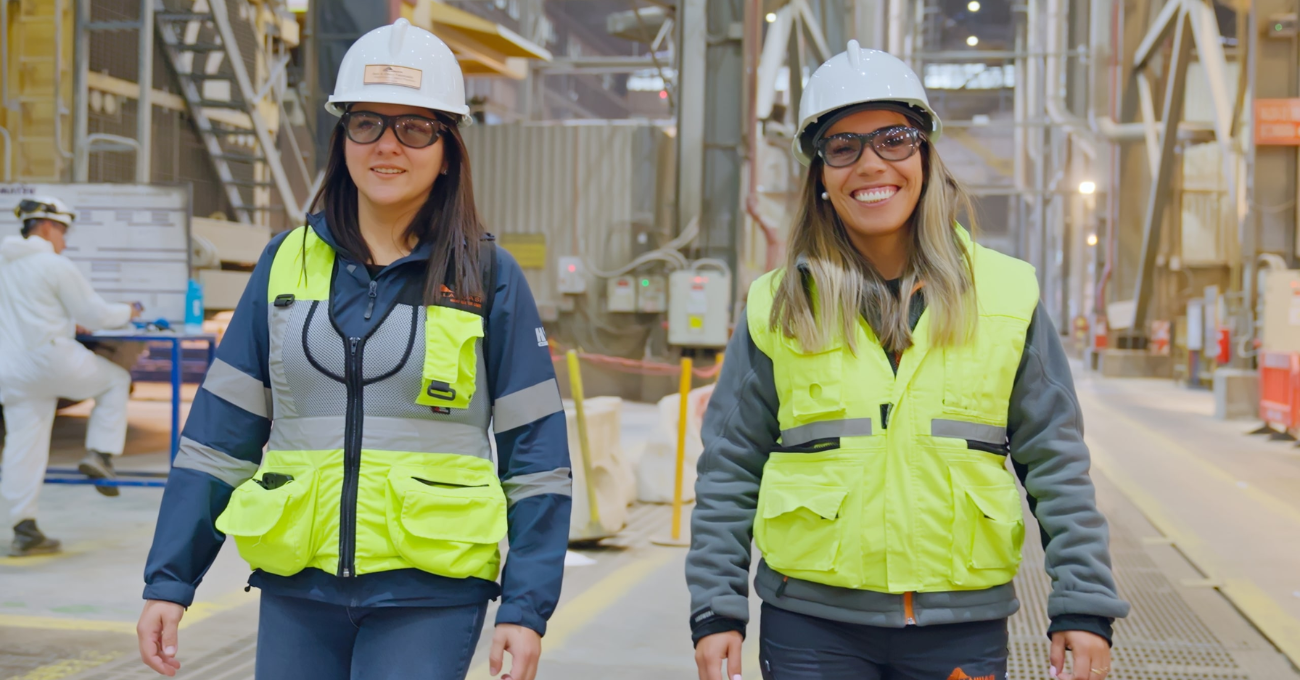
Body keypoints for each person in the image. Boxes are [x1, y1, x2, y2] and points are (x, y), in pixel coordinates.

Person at [135, 19, 571, 680]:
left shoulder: (486, 274)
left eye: (415, 128)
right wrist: (170, 579)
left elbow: (536, 459)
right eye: (368, 123)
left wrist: (525, 606)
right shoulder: (285, 264)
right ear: (343, 139)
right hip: (297, 588)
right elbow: (218, 440)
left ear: (448, 148)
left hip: (430, 590)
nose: (388, 146)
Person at [686, 41, 1130, 680]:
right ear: (818, 176)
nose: (871, 165)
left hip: (960, 627)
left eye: (893, 138)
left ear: (924, 151)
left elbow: (1056, 460)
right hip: (811, 626)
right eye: (843, 146)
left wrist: (1083, 604)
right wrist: (716, 609)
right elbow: (729, 467)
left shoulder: (1006, 295)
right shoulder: (777, 306)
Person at [0, 196, 141, 556]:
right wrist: (130, 309)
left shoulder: (5, 262)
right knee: (115, 381)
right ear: (47, 227)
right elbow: (96, 314)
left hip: (11, 370)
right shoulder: (52, 264)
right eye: (63, 231)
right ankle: (102, 454)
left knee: (22, 446)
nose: (64, 240)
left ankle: (24, 527)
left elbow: (29, 310)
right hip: (50, 359)